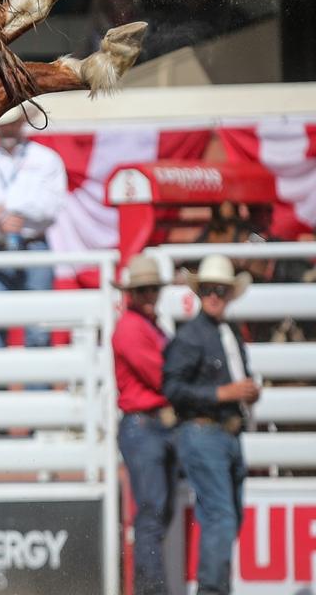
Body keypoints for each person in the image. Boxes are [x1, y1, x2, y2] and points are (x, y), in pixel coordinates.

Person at [163, 255, 258, 595]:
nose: (213, 296)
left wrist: (243, 393)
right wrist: (224, 393)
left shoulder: (227, 333)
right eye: (207, 290)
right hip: (203, 432)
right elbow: (172, 388)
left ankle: (214, 588)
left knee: (227, 517)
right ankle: (212, 591)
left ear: (228, 293)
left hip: (225, 433)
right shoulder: (191, 336)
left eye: (218, 290)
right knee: (222, 517)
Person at [0, 109, 67, 348]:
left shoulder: (46, 159)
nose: (6, 129)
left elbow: (52, 207)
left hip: (33, 245)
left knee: (38, 329)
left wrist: (5, 212)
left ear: (22, 122)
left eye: (11, 123)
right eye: (1, 124)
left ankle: (38, 386)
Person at [112, 255, 176, 595]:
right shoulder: (131, 328)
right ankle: (152, 590)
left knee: (157, 513)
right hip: (144, 426)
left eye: (153, 288)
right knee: (152, 514)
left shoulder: (147, 325)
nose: (150, 294)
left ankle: (151, 586)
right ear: (132, 293)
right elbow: (160, 375)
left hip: (152, 426)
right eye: (144, 290)